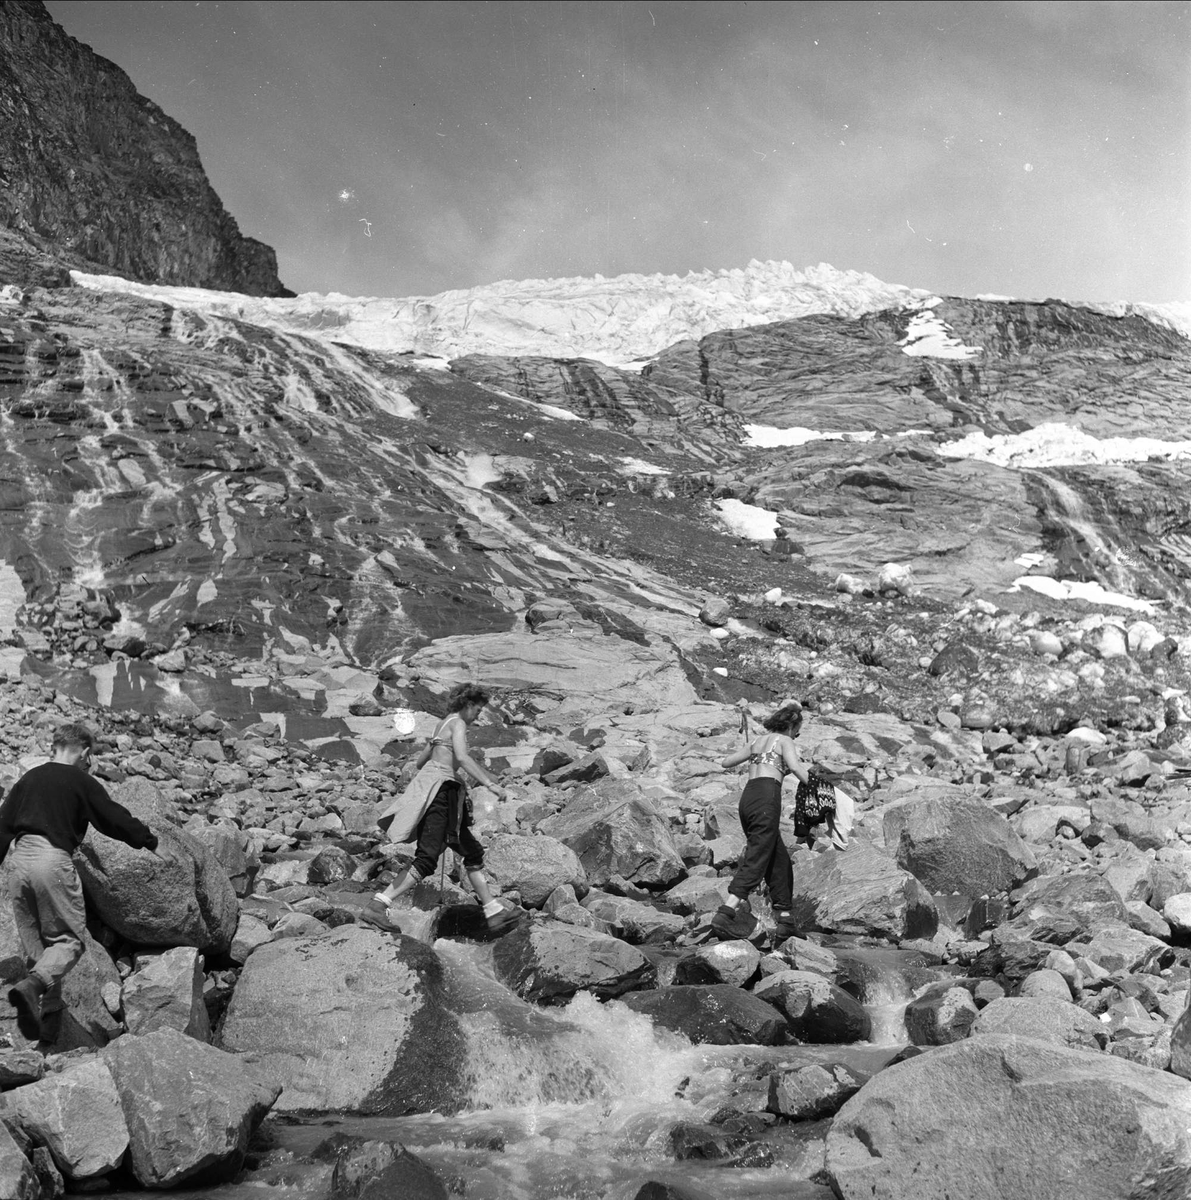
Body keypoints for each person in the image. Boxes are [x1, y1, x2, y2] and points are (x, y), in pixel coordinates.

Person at [0, 723, 162, 1042]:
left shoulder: (29, 778)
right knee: (68, 941)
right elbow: (112, 817)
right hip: (52, 861)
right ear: (86, 753)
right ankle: (32, 988)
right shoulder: (80, 780)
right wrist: (150, 841)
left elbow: (2, 826)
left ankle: (49, 1014)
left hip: (19, 863)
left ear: (54, 747)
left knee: (39, 946)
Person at [368, 683, 521, 934]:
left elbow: (419, 763)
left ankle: (493, 912)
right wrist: (490, 784)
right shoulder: (458, 723)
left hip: (440, 791)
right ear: (468, 704)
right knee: (427, 859)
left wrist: (435, 750)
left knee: (471, 851)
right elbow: (462, 757)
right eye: (479, 709)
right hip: (443, 793)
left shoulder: (442, 725)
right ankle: (378, 905)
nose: (479, 715)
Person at [712, 700, 811, 942]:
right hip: (767, 798)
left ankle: (786, 918)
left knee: (778, 860)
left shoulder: (756, 741)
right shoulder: (785, 741)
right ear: (791, 726)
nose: (797, 735)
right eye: (798, 730)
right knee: (758, 855)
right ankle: (727, 911)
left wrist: (766, 762)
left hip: (748, 798)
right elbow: (797, 768)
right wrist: (821, 787)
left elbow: (726, 762)